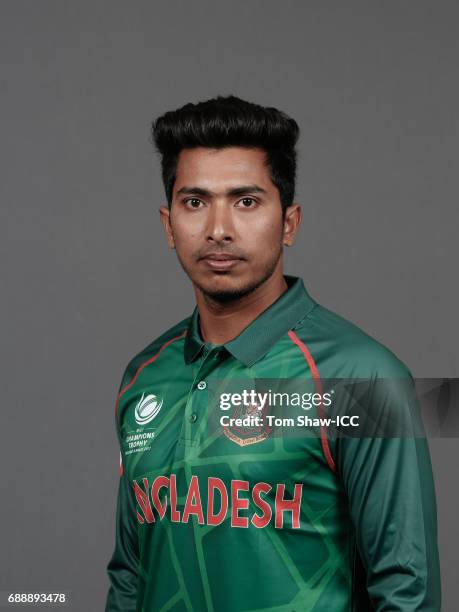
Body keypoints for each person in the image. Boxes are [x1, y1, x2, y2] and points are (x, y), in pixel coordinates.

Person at [105, 95, 441, 611]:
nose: (218, 228)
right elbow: (130, 575)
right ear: (168, 225)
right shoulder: (143, 377)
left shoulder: (363, 379)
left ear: (289, 222)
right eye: (195, 202)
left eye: (246, 201)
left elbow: (406, 588)